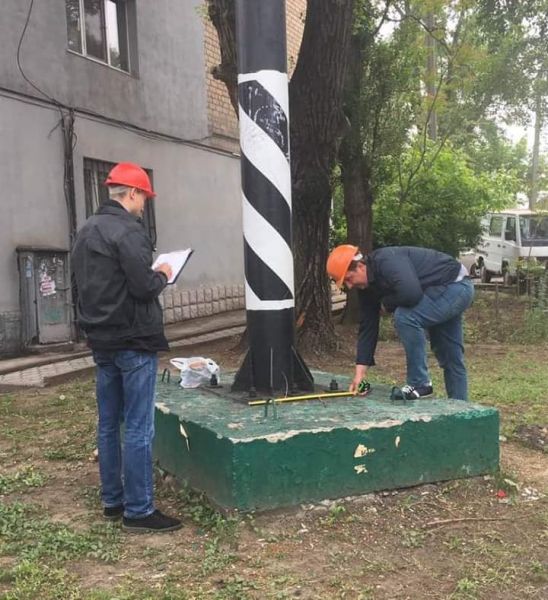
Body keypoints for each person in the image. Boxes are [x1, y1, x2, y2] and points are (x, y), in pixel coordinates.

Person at [71, 162, 182, 533]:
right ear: (132, 194)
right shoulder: (129, 231)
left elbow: (80, 286)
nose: (144, 206)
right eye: (144, 199)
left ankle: (112, 500)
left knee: (108, 423)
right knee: (138, 426)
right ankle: (139, 510)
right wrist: (164, 272)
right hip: (133, 341)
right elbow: (144, 287)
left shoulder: (85, 232)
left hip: (100, 340)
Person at [326, 245, 474, 401]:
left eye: (349, 279)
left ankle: (419, 382)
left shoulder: (387, 261)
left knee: (405, 317)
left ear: (361, 266)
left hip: (455, 286)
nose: (349, 286)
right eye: (345, 284)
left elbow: (411, 294)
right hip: (443, 290)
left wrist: (386, 304)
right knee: (450, 355)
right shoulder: (366, 289)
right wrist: (359, 375)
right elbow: (367, 328)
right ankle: (460, 408)